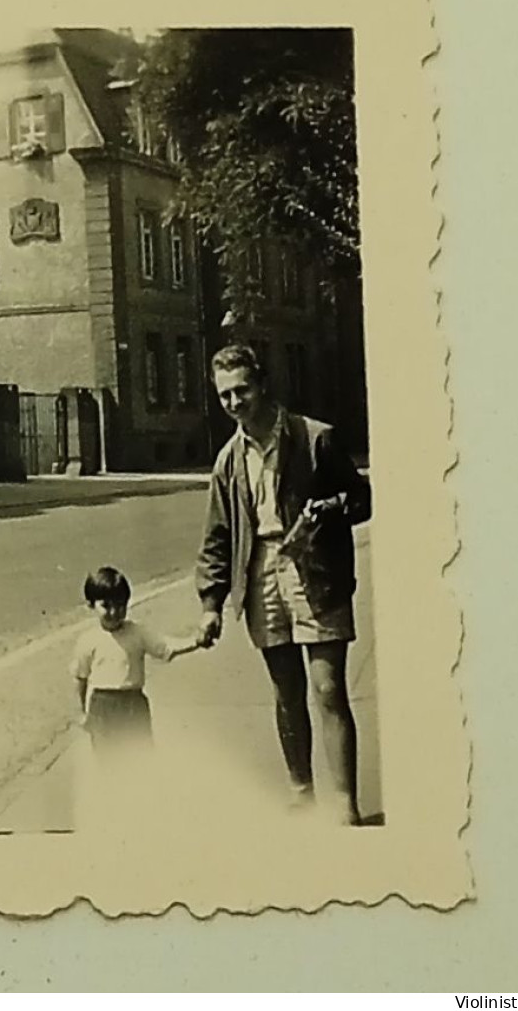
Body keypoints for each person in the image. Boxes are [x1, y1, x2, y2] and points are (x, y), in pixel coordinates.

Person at [196, 344, 372, 825]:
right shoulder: (228, 460)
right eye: (225, 395)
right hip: (260, 574)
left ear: (263, 385)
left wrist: (329, 509)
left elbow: (362, 499)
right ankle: (302, 791)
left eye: (242, 390)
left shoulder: (315, 439)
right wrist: (211, 602)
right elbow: (218, 536)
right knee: (285, 689)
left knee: (329, 686)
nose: (235, 402)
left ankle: (344, 803)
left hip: (315, 569)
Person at [71, 566, 206, 759]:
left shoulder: (137, 632)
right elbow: (80, 678)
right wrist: (81, 712)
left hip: (133, 703)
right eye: (106, 605)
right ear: (91, 605)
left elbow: (166, 647)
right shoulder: (88, 640)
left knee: (140, 754)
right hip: (102, 707)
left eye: (120, 605)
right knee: (106, 759)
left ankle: (140, 788)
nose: (114, 612)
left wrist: (196, 641)